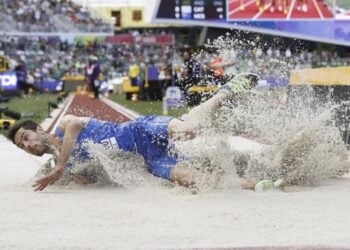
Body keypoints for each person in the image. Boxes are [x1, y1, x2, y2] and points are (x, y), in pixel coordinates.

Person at [7, 73, 260, 192]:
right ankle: (258, 185)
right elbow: (92, 175)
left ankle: (225, 92)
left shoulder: (64, 128)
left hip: (140, 130)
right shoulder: (61, 165)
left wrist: (60, 167)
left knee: (188, 129)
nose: (27, 145)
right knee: (195, 181)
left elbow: (74, 125)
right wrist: (66, 176)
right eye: (22, 146)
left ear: (40, 129)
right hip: (148, 160)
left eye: (26, 138)